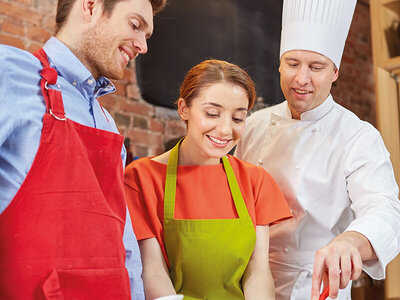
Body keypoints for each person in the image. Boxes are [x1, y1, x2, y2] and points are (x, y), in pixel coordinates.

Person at [0, 0, 166, 299]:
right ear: (90, 6)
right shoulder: (8, 72)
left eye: (146, 35)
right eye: (134, 25)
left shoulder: (107, 123)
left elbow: (124, 244)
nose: (143, 46)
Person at [235, 0, 400, 299]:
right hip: (248, 282)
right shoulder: (252, 125)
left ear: (335, 72)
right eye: (293, 64)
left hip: (316, 286)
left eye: (316, 67)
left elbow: (384, 209)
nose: (302, 79)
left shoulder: (358, 136)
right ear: (280, 64)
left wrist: (351, 242)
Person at [124, 59, 293, 299]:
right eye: (212, 113)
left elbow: (258, 272)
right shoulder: (141, 178)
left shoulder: (255, 181)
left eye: (237, 118)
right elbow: (153, 272)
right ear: (184, 109)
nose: (225, 130)